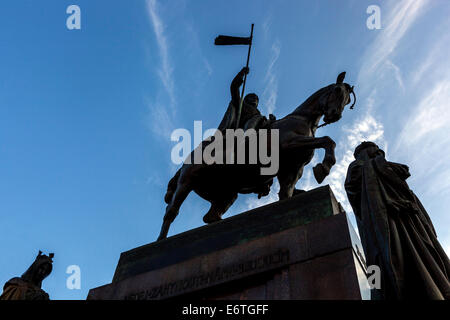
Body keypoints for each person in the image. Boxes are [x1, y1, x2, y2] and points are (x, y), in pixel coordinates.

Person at [345, 141, 450, 300]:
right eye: (374, 149)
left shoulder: (382, 165)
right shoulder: (357, 167)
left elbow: (403, 173)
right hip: (383, 222)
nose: (379, 152)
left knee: (424, 254)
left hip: (407, 220)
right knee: (381, 263)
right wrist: (377, 167)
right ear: (365, 152)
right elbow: (353, 188)